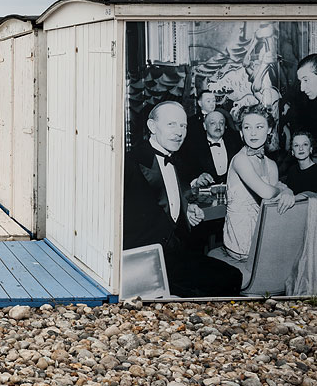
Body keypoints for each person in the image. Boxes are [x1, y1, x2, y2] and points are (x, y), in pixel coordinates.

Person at [124, 101, 243, 296]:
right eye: (171, 124)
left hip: (173, 253)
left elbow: (167, 196)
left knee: (232, 277)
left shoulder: (176, 159)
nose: (179, 132)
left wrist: (185, 206)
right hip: (144, 264)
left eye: (183, 126)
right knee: (220, 284)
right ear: (152, 127)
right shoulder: (130, 163)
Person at [223, 105, 296, 261]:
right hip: (240, 242)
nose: (253, 133)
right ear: (241, 132)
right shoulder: (240, 160)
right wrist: (283, 190)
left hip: (264, 234)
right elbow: (267, 193)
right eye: (247, 127)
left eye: (259, 126)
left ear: (269, 129)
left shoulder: (271, 164)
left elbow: (275, 194)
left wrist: (288, 191)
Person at [182, 110, 242, 187]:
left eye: (221, 123)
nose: (218, 127)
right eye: (213, 123)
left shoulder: (236, 144)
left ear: (225, 126)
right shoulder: (193, 148)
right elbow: (186, 174)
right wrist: (196, 181)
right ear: (204, 126)